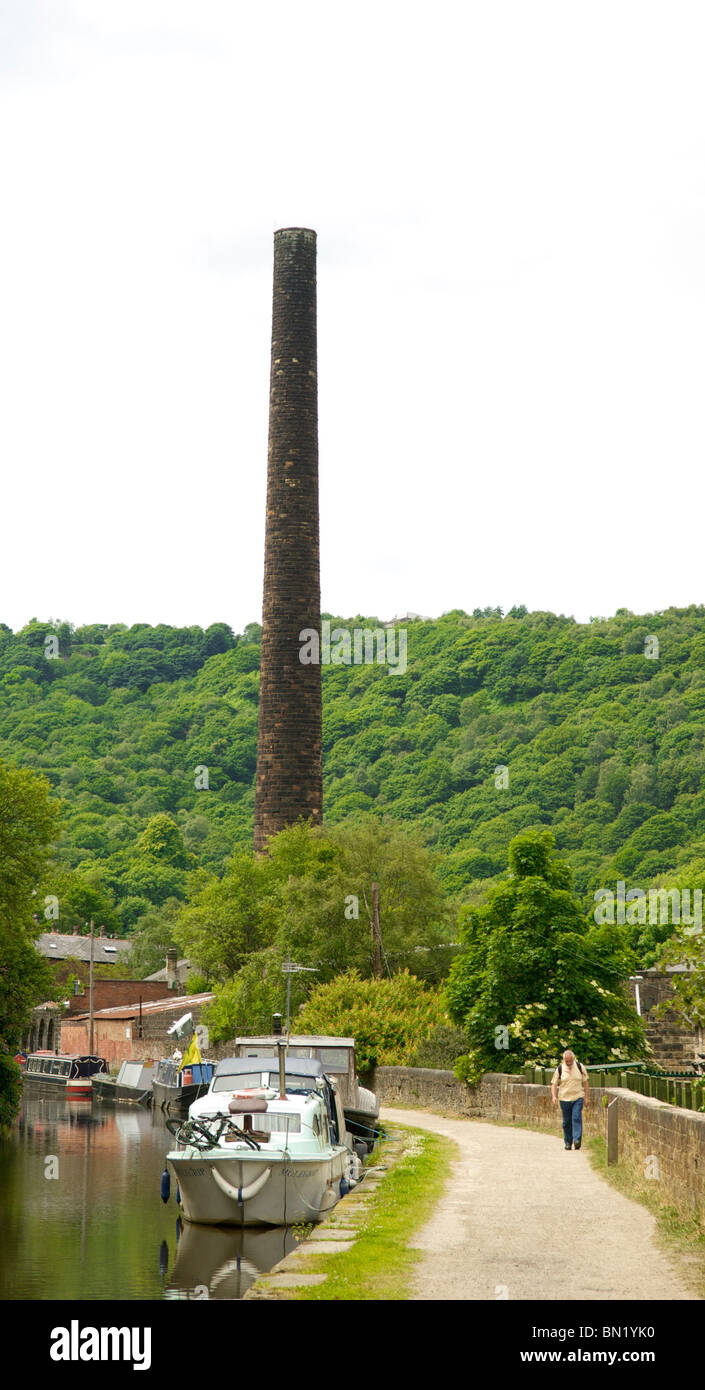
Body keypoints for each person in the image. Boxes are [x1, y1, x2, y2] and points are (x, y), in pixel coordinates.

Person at [550, 1049, 589, 1150]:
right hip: (564, 1098)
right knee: (566, 1122)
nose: (569, 1063)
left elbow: (585, 1083)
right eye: (567, 1061)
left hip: (578, 1097)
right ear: (564, 1060)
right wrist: (554, 1096)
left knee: (576, 1117)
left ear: (573, 1059)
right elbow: (554, 1083)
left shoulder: (580, 1067)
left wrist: (586, 1097)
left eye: (570, 1061)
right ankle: (568, 1142)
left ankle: (577, 1140)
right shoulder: (560, 1068)